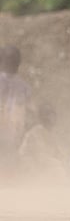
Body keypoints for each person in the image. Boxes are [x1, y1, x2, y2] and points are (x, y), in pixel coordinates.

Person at [0, 45, 33, 180]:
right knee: (9, 158)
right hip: (13, 130)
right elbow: (28, 109)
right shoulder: (24, 86)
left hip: (8, 129)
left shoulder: (23, 86)